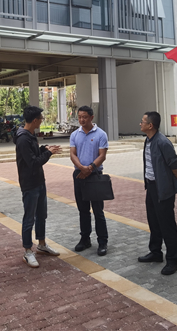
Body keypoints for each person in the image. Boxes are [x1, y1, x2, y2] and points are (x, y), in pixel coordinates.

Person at [138, 111, 177, 275]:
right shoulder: (148, 140)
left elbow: (174, 165)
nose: (140, 124)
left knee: (167, 224)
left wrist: (174, 182)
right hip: (151, 187)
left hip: (163, 188)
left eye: (143, 121)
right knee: (154, 221)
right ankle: (156, 252)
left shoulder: (162, 142)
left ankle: (173, 260)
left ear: (150, 125)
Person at [15, 105, 62, 268]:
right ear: (35, 120)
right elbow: (33, 162)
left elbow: (34, 153)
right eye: (41, 119)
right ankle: (28, 251)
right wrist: (49, 153)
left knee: (41, 215)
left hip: (39, 182)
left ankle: (41, 245)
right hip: (29, 184)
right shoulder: (23, 139)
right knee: (29, 218)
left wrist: (44, 149)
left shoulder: (30, 135)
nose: (42, 121)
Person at [69, 106, 109, 256]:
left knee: (98, 211)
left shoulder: (101, 134)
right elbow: (72, 154)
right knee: (83, 210)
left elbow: (102, 155)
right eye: (79, 117)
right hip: (79, 175)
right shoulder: (75, 134)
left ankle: (102, 241)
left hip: (95, 176)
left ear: (92, 117)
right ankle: (85, 239)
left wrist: (90, 168)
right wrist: (81, 168)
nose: (82, 120)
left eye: (84, 117)